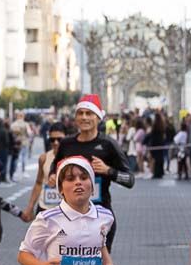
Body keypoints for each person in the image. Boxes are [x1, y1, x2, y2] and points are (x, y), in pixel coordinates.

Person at [50, 96, 133, 250]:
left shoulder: (108, 145)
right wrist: (53, 176)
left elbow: (129, 180)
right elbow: (55, 167)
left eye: (89, 113)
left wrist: (108, 170)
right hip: (69, 218)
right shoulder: (67, 144)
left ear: (98, 118)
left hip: (100, 217)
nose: (84, 117)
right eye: (80, 113)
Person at [23, 123, 67, 220]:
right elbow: (38, 183)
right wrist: (30, 208)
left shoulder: (74, 157)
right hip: (45, 208)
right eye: (52, 140)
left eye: (59, 139)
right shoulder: (44, 158)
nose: (55, 142)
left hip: (66, 210)